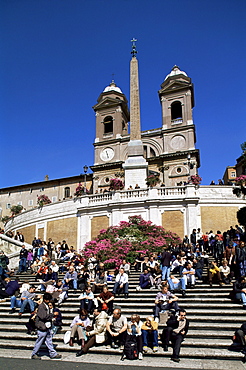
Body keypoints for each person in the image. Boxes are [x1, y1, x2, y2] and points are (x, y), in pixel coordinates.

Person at [31, 292, 62, 360]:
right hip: (42, 326)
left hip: (47, 326)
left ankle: (53, 353)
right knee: (40, 341)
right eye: (48, 300)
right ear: (45, 299)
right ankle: (34, 353)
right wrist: (53, 315)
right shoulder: (41, 306)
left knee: (49, 340)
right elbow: (43, 317)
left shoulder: (46, 305)